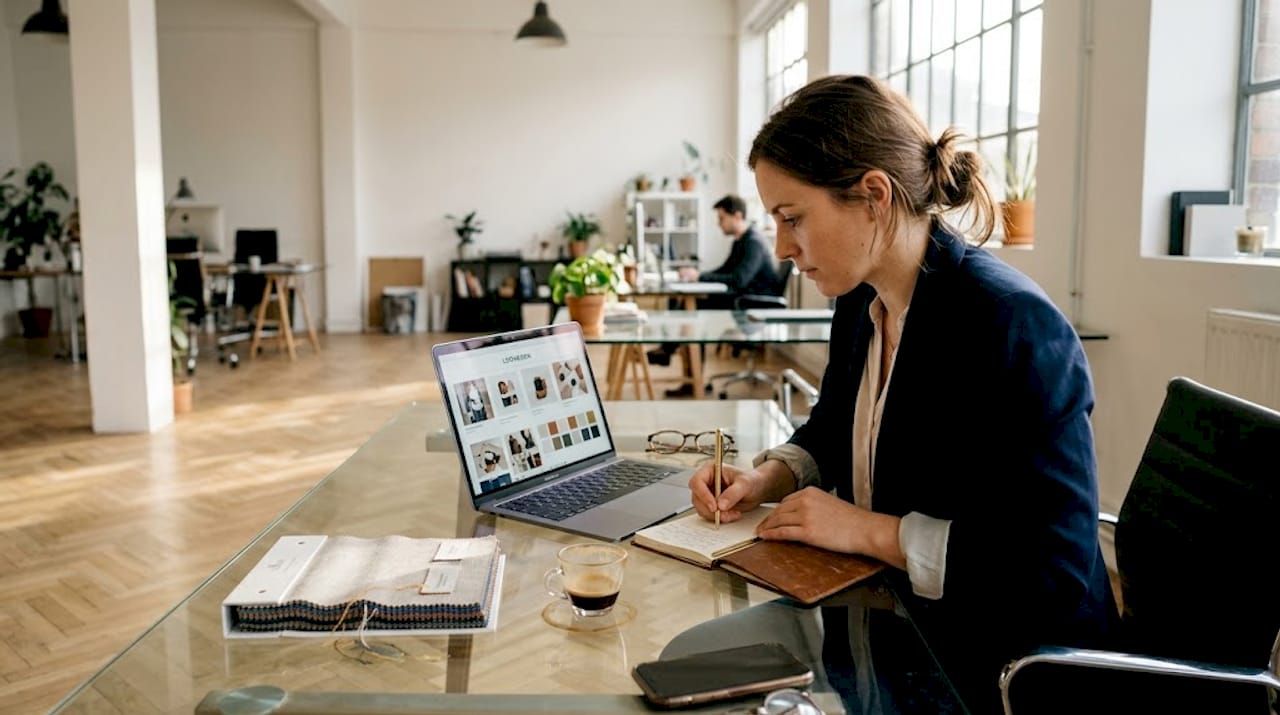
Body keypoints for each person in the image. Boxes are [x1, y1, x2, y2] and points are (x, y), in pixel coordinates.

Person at [683, 75, 1116, 712]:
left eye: (792, 217)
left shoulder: (1012, 326)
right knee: (694, 670)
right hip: (885, 624)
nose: (781, 247)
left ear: (874, 196)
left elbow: (1050, 571)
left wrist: (870, 531)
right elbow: (834, 425)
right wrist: (770, 475)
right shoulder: (863, 298)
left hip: (996, 670)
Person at [648, 194, 782, 397]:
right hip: (741, 299)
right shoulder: (741, 241)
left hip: (752, 306)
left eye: (721, 218)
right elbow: (725, 270)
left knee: (693, 313)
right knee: (685, 304)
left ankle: (675, 358)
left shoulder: (753, 242)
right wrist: (698, 276)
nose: (719, 224)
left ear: (736, 216)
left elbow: (739, 280)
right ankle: (677, 360)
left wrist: (700, 276)